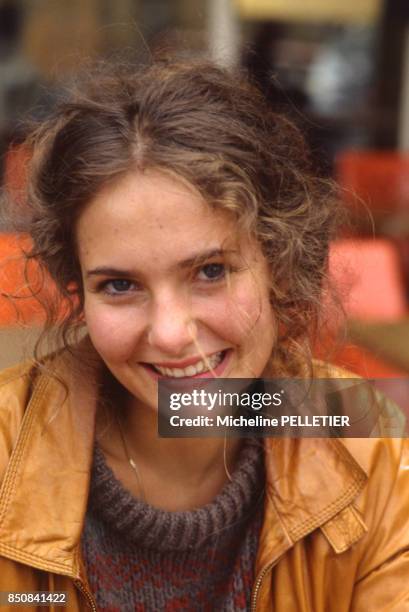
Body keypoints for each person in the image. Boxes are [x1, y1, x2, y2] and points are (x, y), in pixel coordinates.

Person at [0, 58, 408, 612]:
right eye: (120, 285)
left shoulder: (367, 443)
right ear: (78, 291)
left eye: (210, 272)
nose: (171, 333)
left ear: (277, 262)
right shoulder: (7, 449)